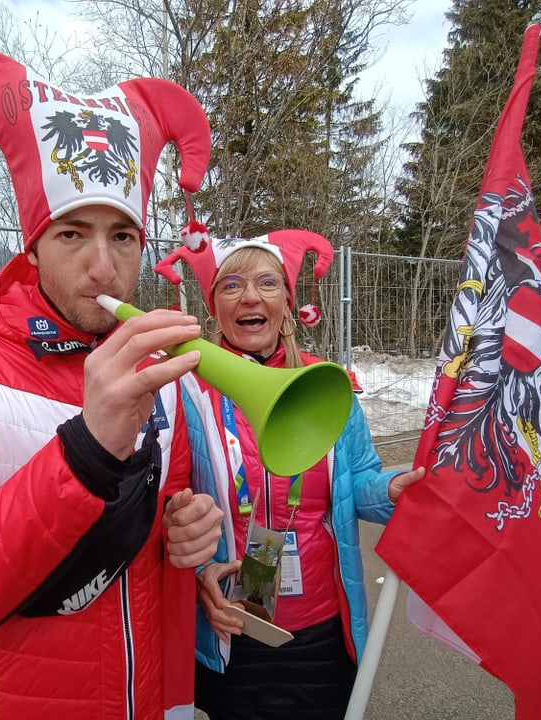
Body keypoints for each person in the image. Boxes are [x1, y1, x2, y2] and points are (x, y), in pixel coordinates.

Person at [0, 48, 224, 720]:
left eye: (124, 237)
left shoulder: (158, 366)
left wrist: (185, 531)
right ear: (32, 243)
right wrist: (82, 455)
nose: (104, 267)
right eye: (72, 234)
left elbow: (160, 514)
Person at [155, 231, 425, 720]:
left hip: (321, 630)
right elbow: (166, 515)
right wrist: (197, 573)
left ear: (287, 303)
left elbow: (358, 482)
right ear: (214, 306)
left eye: (267, 283)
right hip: (229, 630)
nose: (251, 297)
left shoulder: (326, 385)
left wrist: (390, 488)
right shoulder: (184, 390)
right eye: (232, 285)